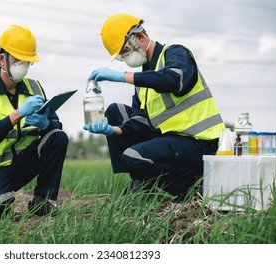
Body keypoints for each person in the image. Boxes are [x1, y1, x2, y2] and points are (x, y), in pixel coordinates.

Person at [85, 13, 225, 201]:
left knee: (132, 157)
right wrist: (112, 130)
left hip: (201, 143)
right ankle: (139, 179)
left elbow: (174, 79)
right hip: (172, 140)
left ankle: (192, 187)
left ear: (140, 37)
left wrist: (123, 76)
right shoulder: (142, 79)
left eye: (126, 51)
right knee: (114, 111)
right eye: (122, 56)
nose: (126, 58)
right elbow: (140, 122)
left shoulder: (175, 53)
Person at [0, 24, 68, 218]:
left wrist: (46, 124)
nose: (24, 67)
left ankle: (42, 202)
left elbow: (57, 129)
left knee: (58, 137)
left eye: (27, 62)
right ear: (2, 60)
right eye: (19, 61)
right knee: (0, 210)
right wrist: (17, 114)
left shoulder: (35, 88)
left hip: (20, 167)